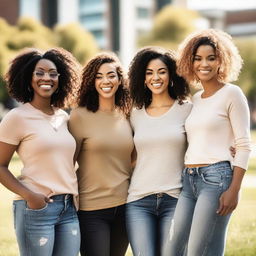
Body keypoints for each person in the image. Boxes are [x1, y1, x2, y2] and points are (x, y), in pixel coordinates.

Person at [169, 29, 251, 256]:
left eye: (211, 58)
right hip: (189, 180)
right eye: (197, 58)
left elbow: (244, 144)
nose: (203, 63)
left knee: (199, 251)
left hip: (217, 179)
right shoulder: (195, 100)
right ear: (190, 61)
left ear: (221, 61)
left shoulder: (232, 94)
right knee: (173, 248)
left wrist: (234, 190)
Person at [0, 47, 81, 256]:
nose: (47, 78)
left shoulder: (63, 117)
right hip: (37, 208)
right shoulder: (16, 117)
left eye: (53, 73)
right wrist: (29, 195)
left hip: (68, 208)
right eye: (40, 72)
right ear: (28, 78)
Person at [126, 46, 191, 256]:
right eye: (149, 72)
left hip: (175, 199)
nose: (156, 77)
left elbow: (204, 139)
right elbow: (129, 156)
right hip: (138, 201)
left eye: (161, 71)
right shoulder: (134, 114)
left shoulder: (186, 109)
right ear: (143, 79)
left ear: (171, 75)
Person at [68, 52, 134, 256]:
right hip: (91, 209)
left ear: (120, 79)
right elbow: (67, 161)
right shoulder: (79, 115)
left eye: (111, 75)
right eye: (98, 76)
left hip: (125, 206)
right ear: (91, 81)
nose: (106, 81)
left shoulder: (128, 113)